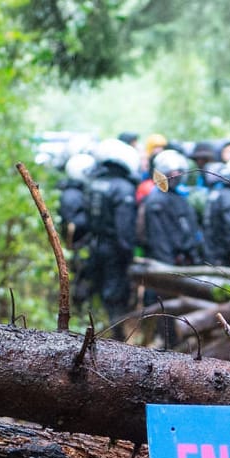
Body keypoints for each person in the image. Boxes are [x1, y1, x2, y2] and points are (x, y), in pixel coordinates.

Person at [77, 138, 141, 328]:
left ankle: (94, 324)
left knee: (98, 287)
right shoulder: (123, 188)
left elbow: (88, 216)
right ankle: (115, 333)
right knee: (114, 292)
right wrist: (128, 251)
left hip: (96, 244)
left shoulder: (95, 183)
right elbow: (124, 227)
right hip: (114, 247)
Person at [139, 148, 203, 267]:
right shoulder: (156, 200)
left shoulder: (179, 197)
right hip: (168, 264)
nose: (175, 175)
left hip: (183, 262)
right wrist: (168, 266)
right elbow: (158, 238)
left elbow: (189, 230)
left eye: (178, 172)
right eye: (171, 173)